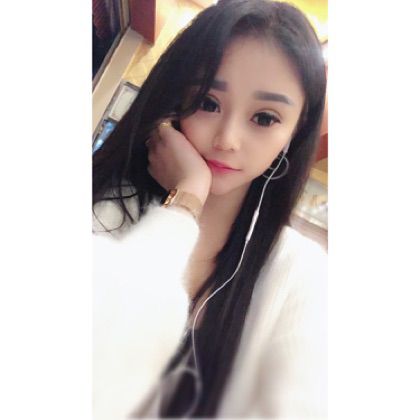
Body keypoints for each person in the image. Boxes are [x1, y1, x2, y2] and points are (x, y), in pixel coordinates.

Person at [92, 0, 327, 418]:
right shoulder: (94, 207)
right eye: (208, 102)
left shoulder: (302, 273)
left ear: (296, 131)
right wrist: (186, 199)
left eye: (265, 118)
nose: (227, 139)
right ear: (172, 100)